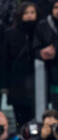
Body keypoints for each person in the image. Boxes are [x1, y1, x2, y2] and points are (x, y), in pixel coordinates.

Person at [1, 2, 39, 130]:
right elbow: (5, 60)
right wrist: (4, 85)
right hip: (17, 82)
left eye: (32, 13)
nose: (29, 16)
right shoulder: (10, 33)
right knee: (20, 115)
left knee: (35, 114)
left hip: (37, 80)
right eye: (26, 13)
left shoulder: (40, 31)